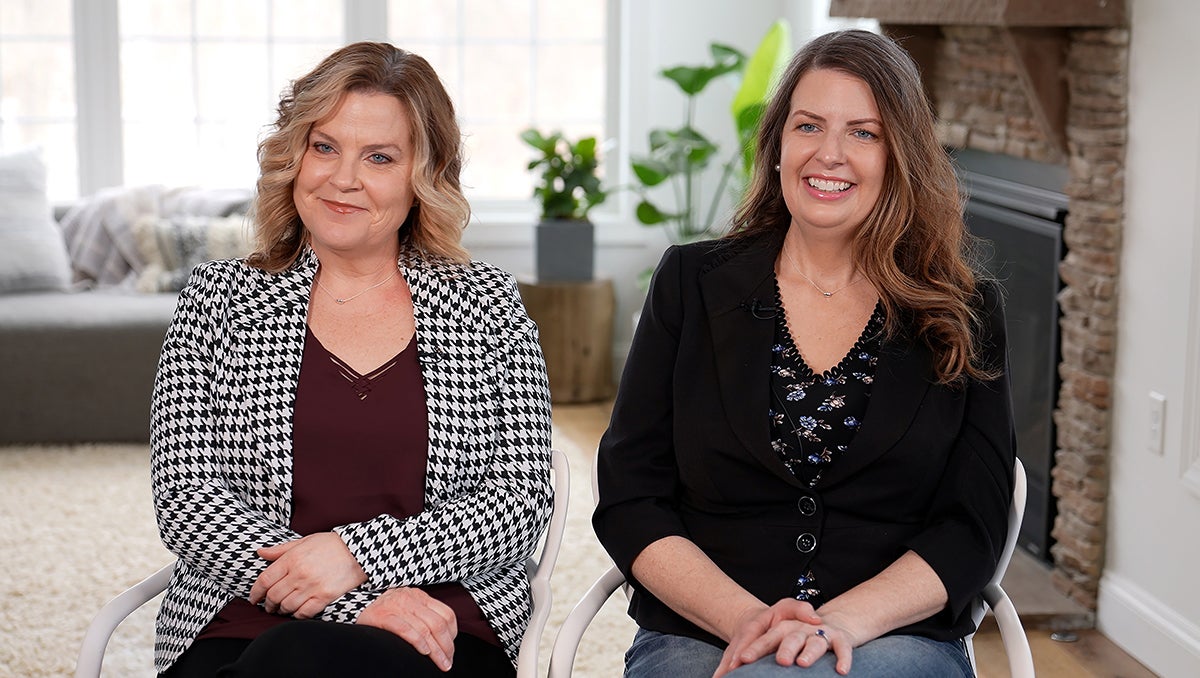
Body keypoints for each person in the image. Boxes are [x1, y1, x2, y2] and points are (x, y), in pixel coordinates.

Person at [592, 29, 1016, 678]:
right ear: (779, 144)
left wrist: (841, 623)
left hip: (888, 636)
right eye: (809, 125)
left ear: (901, 153)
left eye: (864, 133)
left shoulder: (963, 310)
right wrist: (745, 619)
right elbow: (631, 496)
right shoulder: (690, 284)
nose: (830, 154)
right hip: (707, 629)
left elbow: (973, 524)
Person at [149, 42, 553, 677]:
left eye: (380, 157)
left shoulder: (486, 306)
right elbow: (188, 503)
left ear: (424, 175)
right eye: (325, 146)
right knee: (287, 654)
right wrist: (354, 601)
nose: (342, 178)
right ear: (294, 157)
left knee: (297, 656)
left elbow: (514, 505)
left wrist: (355, 556)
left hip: (435, 629)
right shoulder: (217, 299)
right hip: (242, 620)